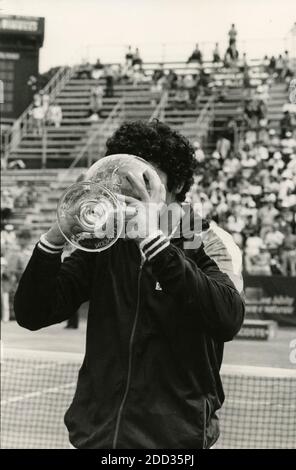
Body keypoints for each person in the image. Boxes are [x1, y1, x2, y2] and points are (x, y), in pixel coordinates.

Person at [14, 120, 244, 449]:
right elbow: (33, 313)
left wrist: (154, 241)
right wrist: (55, 236)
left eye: (142, 179)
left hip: (172, 444)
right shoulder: (108, 239)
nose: (127, 190)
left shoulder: (207, 239)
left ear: (175, 185)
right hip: (94, 438)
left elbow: (227, 317)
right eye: (122, 179)